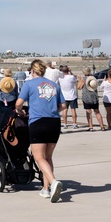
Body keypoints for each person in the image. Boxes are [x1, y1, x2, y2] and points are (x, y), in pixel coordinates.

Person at [15, 59, 67, 202]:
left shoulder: (29, 84)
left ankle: (53, 182)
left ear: (32, 71)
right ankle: (45, 188)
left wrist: (20, 111)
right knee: (48, 157)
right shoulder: (54, 85)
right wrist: (52, 111)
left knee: (39, 157)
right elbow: (63, 105)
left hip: (38, 122)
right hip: (54, 122)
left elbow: (19, 103)